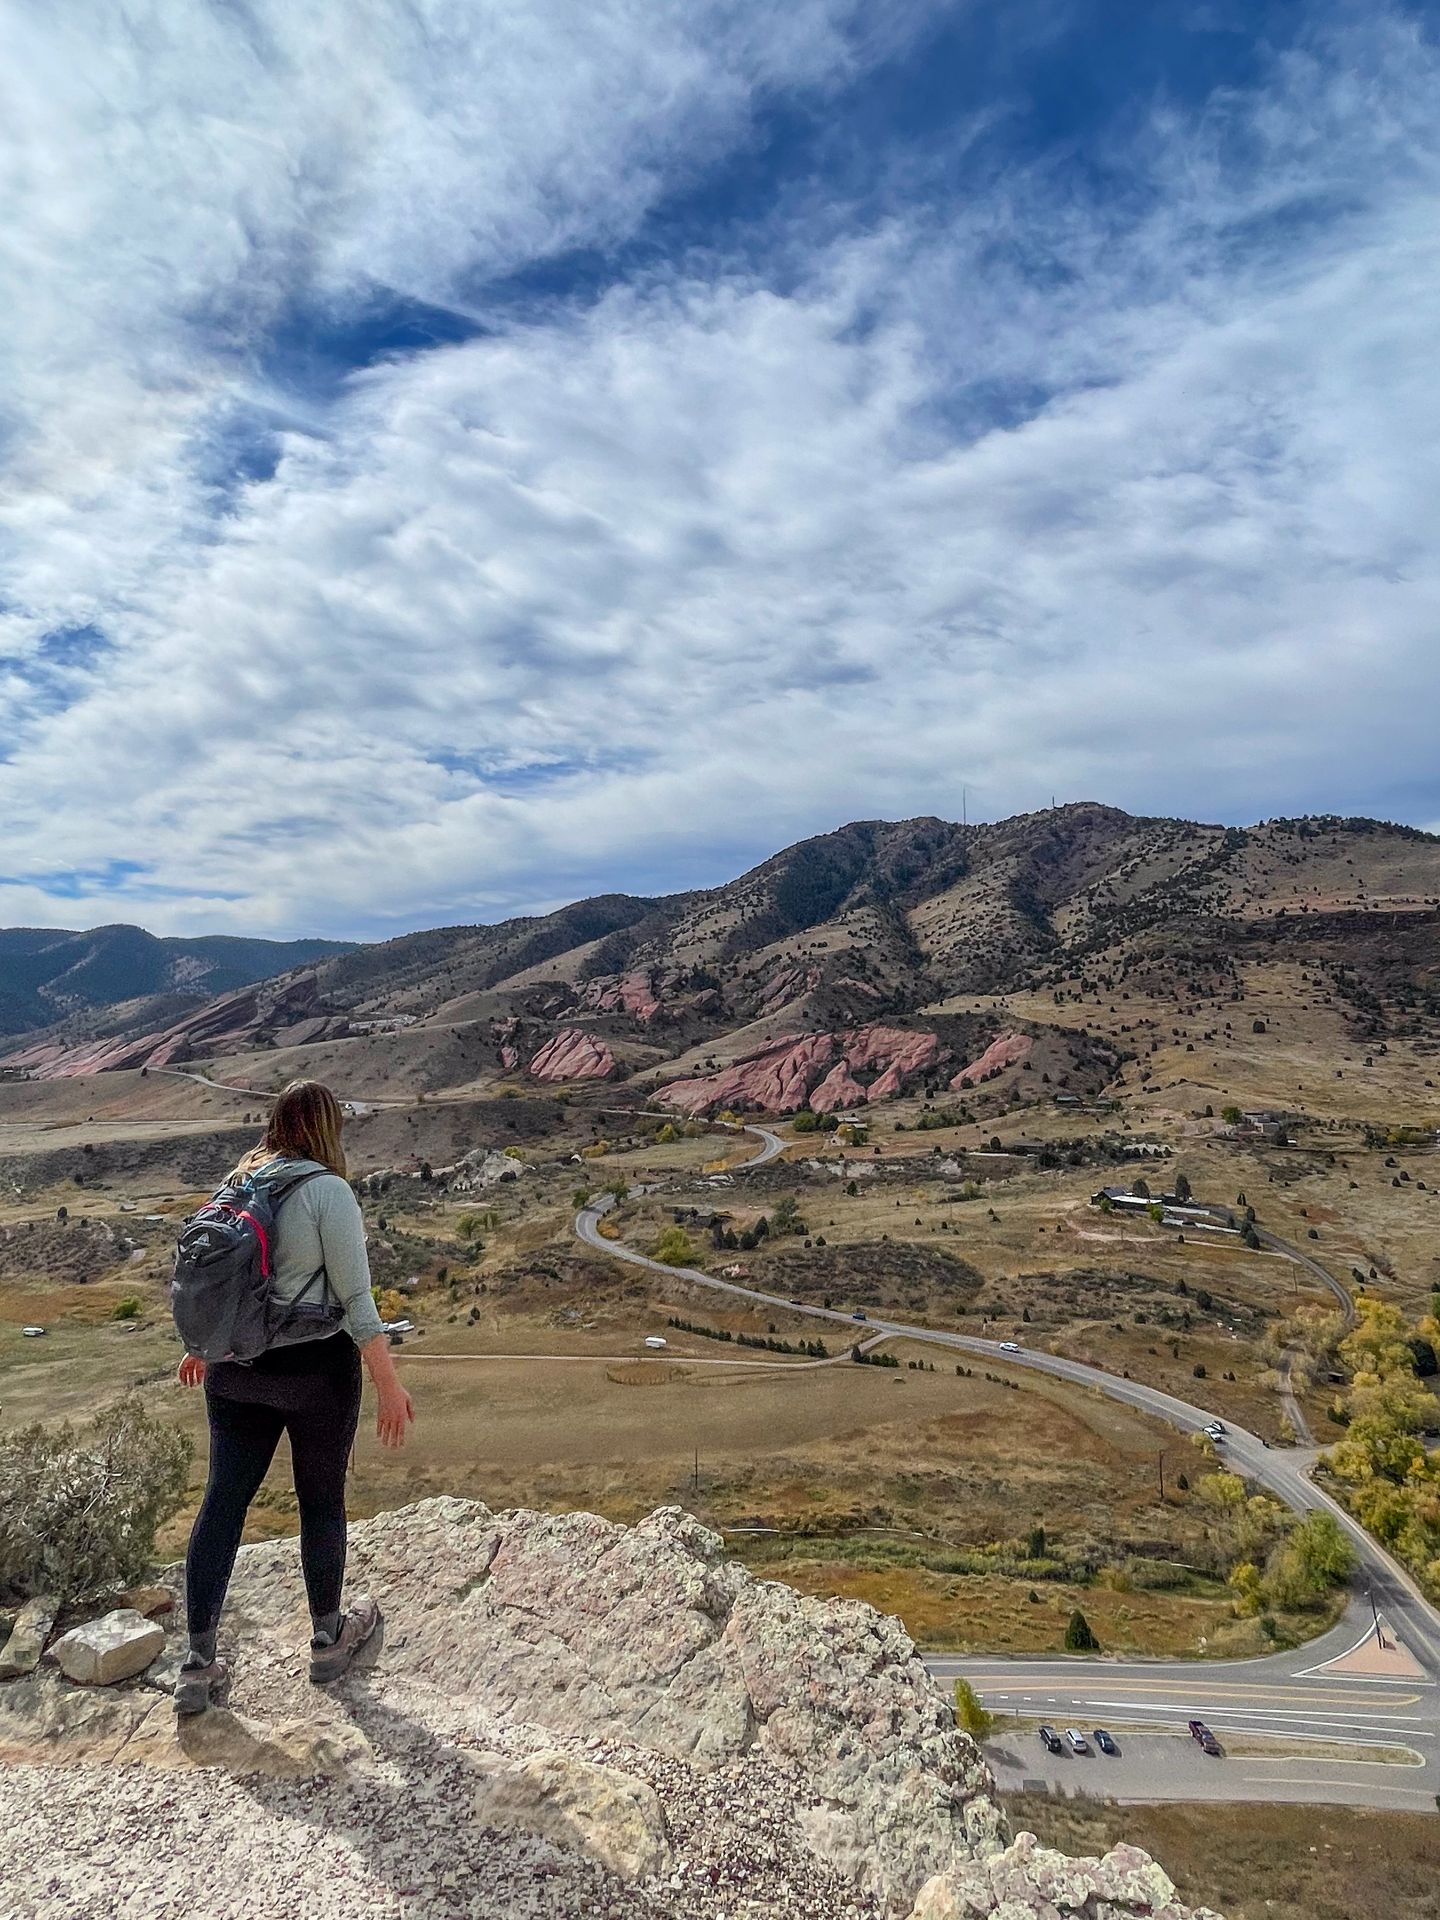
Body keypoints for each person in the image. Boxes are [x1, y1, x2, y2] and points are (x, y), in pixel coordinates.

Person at [175, 1078, 414, 1714]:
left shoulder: (241, 1180)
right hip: (315, 1371)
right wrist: (390, 1385)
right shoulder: (327, 1191)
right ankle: (328, 1639)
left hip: (236, 1368)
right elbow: (357, 1301)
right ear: (328, 1127)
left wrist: (202, 1345)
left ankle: (197, 1664)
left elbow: (216, 1277)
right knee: (320, 1501)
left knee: (222, 1503)